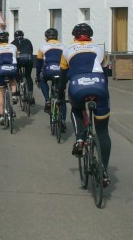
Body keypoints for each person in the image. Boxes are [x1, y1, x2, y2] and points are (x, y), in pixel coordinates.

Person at [58, 23, 112, 187]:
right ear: (91, 36)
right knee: (102, 131)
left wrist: (60, 95)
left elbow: (62, 77)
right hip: (99, 86)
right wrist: (104, 91)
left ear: (74, 36)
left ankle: (80, 139)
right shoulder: (100, 49)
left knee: (75, 109)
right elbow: (105, 72)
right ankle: (103, 171)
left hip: (77, 86)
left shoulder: (67, 50)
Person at [35, 27, 67, 133]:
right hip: (60, 71)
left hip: (48, 70)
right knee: (61, 97)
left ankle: (47, 100)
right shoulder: (63, 46)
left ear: (46, 38)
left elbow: (39, 62)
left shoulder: (43, 46)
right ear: (57, 37)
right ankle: (62, 121)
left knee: (43, 79)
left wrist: (37, 75)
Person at [0, 30, 19, 126]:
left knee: (0, 91)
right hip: (12, 68)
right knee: (13, 79)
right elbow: (17, 58)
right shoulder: (13, 47)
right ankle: (14, 94)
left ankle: (1, 115)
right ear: (7, 39)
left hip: (0, 70)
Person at [11, 30, 35, 104]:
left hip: (18, 59)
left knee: (16, 74)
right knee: (28, 76)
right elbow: (31, 51)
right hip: (28, 58)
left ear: (15, 36)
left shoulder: (13, 42)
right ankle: (30, 95)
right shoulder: (28, 41)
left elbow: (12, 53)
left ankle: (18, 86)